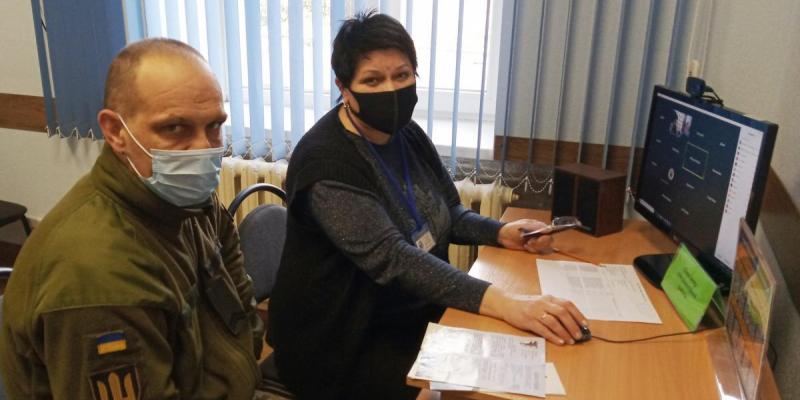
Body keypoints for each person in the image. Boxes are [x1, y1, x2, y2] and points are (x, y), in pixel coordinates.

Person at [267, 11, 589, 399]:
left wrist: (503, 232)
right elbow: (394, 258)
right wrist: (506, 303)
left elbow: (449, 212)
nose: (391, 89)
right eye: (372, 80)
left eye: (402, 75)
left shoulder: (407, 135)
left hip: (406, 314)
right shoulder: (327, 163)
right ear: (344, 88)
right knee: (466, 386)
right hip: (340, 340)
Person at [0, 38, 264, 399]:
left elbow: (241, 311)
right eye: (175, 128)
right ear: (115, 132)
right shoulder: (97, 273)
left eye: (214, 126)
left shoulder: (189, 200)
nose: (204, 149)